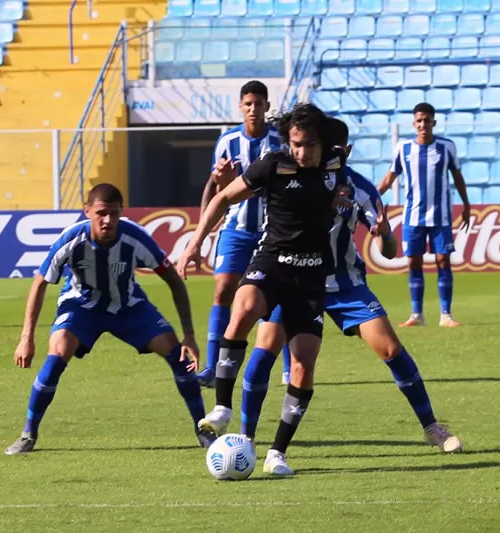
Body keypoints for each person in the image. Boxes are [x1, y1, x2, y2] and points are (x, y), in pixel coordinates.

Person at [240, 118, 462, 455]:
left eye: (336, 149)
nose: (330, 154)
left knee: (390, 349)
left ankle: (431, 426)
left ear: (346, 150)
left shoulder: (360, 189)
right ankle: (246, 438)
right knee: (265, 348)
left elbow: (389, 251)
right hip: (294, 280)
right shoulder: (290, 177)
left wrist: (384, 234)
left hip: (344, 286)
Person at [177, 103, 351, 475]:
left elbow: (344, 182)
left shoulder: (336, 163)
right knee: (242, 308)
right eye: (296, 144)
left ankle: (277, 453)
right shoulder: (274, 164)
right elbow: (224, 198)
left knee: (303, 366)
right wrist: (194, 244)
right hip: (272, 261)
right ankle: (222, 407)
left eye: (309, 144)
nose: (301, 152)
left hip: (311, 277)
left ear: (322, 141)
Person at [5, 184, 215, 455]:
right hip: (81, 306)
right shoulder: (72, 239)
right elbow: (40, 283)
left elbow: (173, 280)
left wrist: (189, 335)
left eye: (114, 214)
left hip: (128, 307)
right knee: (57, 354)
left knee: (178, 356)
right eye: (101, 213)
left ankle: (202, 428)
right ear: (88, 212)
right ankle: (28, 434)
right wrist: (26, 338)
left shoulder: (135, 238)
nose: (108, 221)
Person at [197, 80, 290, 388]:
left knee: (280, 298)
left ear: (266, 106)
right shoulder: (227, 141)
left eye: (258, 104)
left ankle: (289, 366)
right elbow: (219, 190)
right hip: (236, 229)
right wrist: (220, 184)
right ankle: (212, 367)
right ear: (240, 106)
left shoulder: (280, 141)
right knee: (223, 290)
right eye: (247, 104)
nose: (253, 109)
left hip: (273, 232)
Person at [377, 102, 471, 328]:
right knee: (414, 262)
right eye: (419, 121)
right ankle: (417, 314)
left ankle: (446, 315)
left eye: (427, 120)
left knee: (442, 260)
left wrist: (466, 205)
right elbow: (390, 178)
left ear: (433, 122)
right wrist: (372, 196)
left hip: (441, 216)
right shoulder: (403, 148)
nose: (423, 124)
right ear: (414, 123)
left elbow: (457, 176)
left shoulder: (447, 146)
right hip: (413, 216)